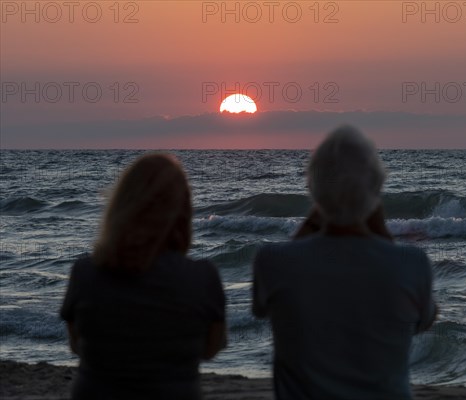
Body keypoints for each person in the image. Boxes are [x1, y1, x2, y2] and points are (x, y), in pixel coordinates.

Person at [253, 126, 437, 399]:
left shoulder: (273, 262)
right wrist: (381, 230)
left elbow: (263, 309)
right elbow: (424, 321)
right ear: (376, 189)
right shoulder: (412, 263)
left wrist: (321, 211)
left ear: (313, 189)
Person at [60, 153, 226, 400]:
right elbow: (211, 350)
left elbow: (77, 345)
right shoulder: (202, 276)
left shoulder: (85, 272)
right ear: (183, 210)